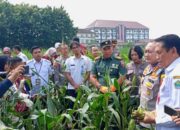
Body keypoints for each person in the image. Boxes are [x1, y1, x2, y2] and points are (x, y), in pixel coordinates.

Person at [138, 34, 180, 130]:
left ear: (173, 51)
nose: (157, 57)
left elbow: (177, 112)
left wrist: (154, 115)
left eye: (159, 52)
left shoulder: (177, 74)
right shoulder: (171, 71)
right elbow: (172, 108)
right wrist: (154, 114)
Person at [139, 41, 164, 129]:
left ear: (158, 53)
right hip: (143, 115)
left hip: (153, 120)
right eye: (145, 51)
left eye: (149, 52)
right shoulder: (148, 67)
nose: (146, 54)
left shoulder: (163, 71)